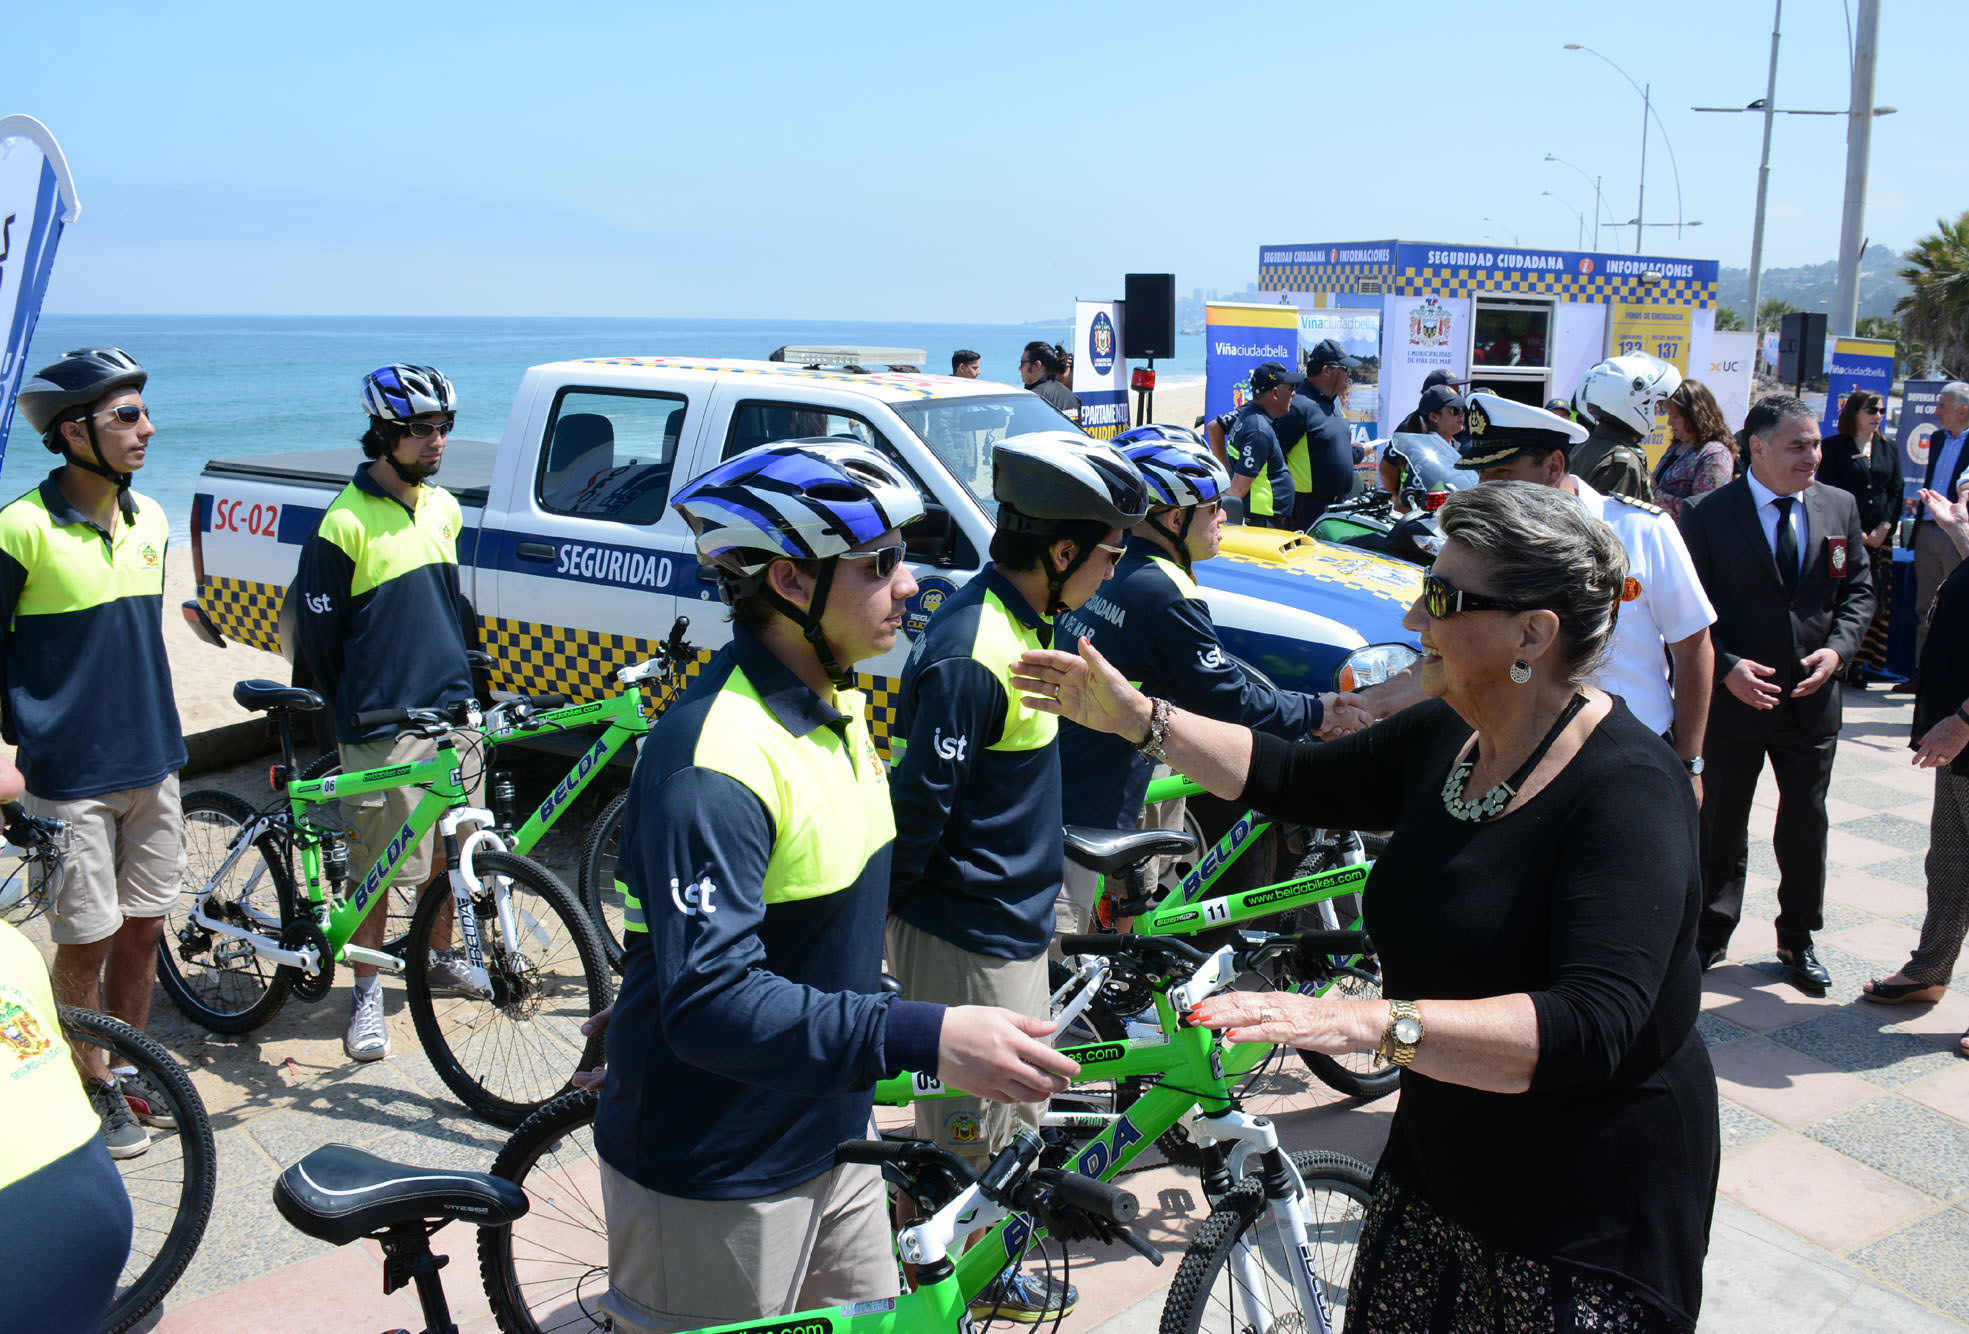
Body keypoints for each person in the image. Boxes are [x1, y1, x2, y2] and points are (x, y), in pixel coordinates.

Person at [1015, 482, 1719, 1332]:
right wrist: (1141, 720)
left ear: (1532, 633)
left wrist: (1364, 1025)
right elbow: (1290, 775)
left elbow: (1591, 1023)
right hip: (1441, 1163)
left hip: (1582, 1210)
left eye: (1442, 598)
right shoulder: (1446, 737)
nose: (1417, 621)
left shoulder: (1627, 791)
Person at [590, 440, 1076, 1334]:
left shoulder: (836, 708)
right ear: (786, 582)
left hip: (835, 1143)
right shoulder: (715, 759)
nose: (912, 585)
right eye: (879, 563)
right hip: (719, 1169)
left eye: (906, 558)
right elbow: (709, 1003)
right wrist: (926, 1032)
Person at [885, 431, 1141, 1321]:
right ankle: (953, 1286)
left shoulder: (1026, 621)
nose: (1114, 571)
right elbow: (917, 813)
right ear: (1062, 551)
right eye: (1111, 553)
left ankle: (973, 1262)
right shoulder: (971, 651)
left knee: (1011, 1125)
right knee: (969, 1133)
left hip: (1008, 924)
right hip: (965, 935)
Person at [1054, 430, 1366, 933]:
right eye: (1215, 507)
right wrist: (1317, 711)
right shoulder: (1165, 591)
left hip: (1087, 769)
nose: (1225, 516)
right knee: (1082, 951)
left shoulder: (1116, 566)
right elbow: (1225, 697)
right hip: (1099, 794)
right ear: (1175, 519)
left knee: (1123, 921)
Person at [5, 348, 187, 1155]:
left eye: (143, 412)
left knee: (145, 931)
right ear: (74, 431)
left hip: (153, 760)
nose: (145, 428)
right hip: (69, 776)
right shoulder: (19, 530)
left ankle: (127, 1065)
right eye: (126, 416)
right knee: (85, 939)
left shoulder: (150, 519)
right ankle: (89, 1082)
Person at [290, 364, 483, 1063]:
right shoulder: (343, 524)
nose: (436, 441)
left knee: (449, 850)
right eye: (421, 429)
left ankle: (437, 957)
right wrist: (354, 719)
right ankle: (366, 993)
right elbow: (319, 643)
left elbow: (447, 609)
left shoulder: (443, 507)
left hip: (451, 712)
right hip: (381, 722)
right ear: (383, 433)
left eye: (443, 428)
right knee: (376, 870)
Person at [1678, 395, 1874, 992]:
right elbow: (1689, 613)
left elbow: (1859, 591)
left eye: (1815, 443)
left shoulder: (1838, 505)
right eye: (1799, 445)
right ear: (1756, 448)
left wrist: (1838, 651)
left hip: (1811, 703)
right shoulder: (1707, 514)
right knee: (1722, 822)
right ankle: (1711, 933)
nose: (1813, 455)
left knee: (1804, 823)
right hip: (1735, 703)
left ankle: (1798, 938)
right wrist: (1729, 667)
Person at [1457, 394, 1716, 780]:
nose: (1487, 491)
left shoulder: (1641, 531)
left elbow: (1693, 647)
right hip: (1526, 758)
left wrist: (1689, 762)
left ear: (1554, 466)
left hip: (1634, 761)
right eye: (1481, 477)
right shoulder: (1488, 548)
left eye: (1502, 475)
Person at [1858, 484, 1969, 1057]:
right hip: (1960, 743)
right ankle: (1930, 969)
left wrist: (1964, 720)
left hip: (1966, 729)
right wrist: (1955, 528)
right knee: (1948, 864)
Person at [1817, 389, 1905, 686]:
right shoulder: (1833, 447)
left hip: (1880, 540)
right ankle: (1840, 658)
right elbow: (1826, 491)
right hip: (1843, 538)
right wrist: (1856, 534)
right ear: (1854, 412)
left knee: (1874, 601)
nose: (1878, 416)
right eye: (1871, 411)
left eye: (1881, 411)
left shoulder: (1889, 447)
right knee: (1842, 596)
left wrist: (1885, 527)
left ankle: (1860, 665)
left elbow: (1895, 490)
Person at [1911, 381, 1969, 663]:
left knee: (1954, 605)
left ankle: (1947, 673)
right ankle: (1922, 673)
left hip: (1956, 536)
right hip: (1927, 529)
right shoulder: (1937, 439)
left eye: (1942, 406)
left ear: (1963, 411)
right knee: (1925, 607)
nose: (1936, 412)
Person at [1571, 351, 1679, 504]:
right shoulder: (1622, 463)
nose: (1657, 412)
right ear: (1637, 401)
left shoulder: (1585, 445)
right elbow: (1618, 525)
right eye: (1656, 405)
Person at [1283, 339, 1362, 527]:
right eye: (1344, 369)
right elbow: (1274, 454)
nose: (1348, 374)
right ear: (1327, 371)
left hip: (1339, 506)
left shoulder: (1331, 402)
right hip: (1307, 508)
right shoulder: (1298, 405)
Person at [1224, 361, 1300, 528]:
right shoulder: (1258, 430)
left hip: (1264, 518)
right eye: (1290, 388)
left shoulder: (1250, 414)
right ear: (1275, 393)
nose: (1294, 393)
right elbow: (1237, 490)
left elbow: (1214, 427)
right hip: (1262, 522)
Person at [1652, 379, 1736, 520]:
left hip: (1686, 540)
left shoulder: (1715, 455)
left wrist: (1653, 493)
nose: (1668, 422)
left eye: (1674, 416)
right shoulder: (1677, 446)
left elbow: (1704, 509)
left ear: (1694, 416)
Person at [1380, 384, 1466, 512]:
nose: (1462, 414)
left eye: (1462, 409)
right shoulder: (1427, 457)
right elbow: (1406, 507)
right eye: (1455, 410)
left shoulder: (1456, 448)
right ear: (1434, 417)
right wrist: (1393, 494)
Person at [1392, 369, 1470, 436]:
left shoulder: (1452, 428)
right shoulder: (1410, 428)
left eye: (1458, 391)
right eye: (1453, 391)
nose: (1457, 396)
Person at [1019, 341, 1079, 421]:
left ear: (1037, 365)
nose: (1019, 368)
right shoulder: (1072, 398)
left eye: (1022, 363)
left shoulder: (1032, 399)